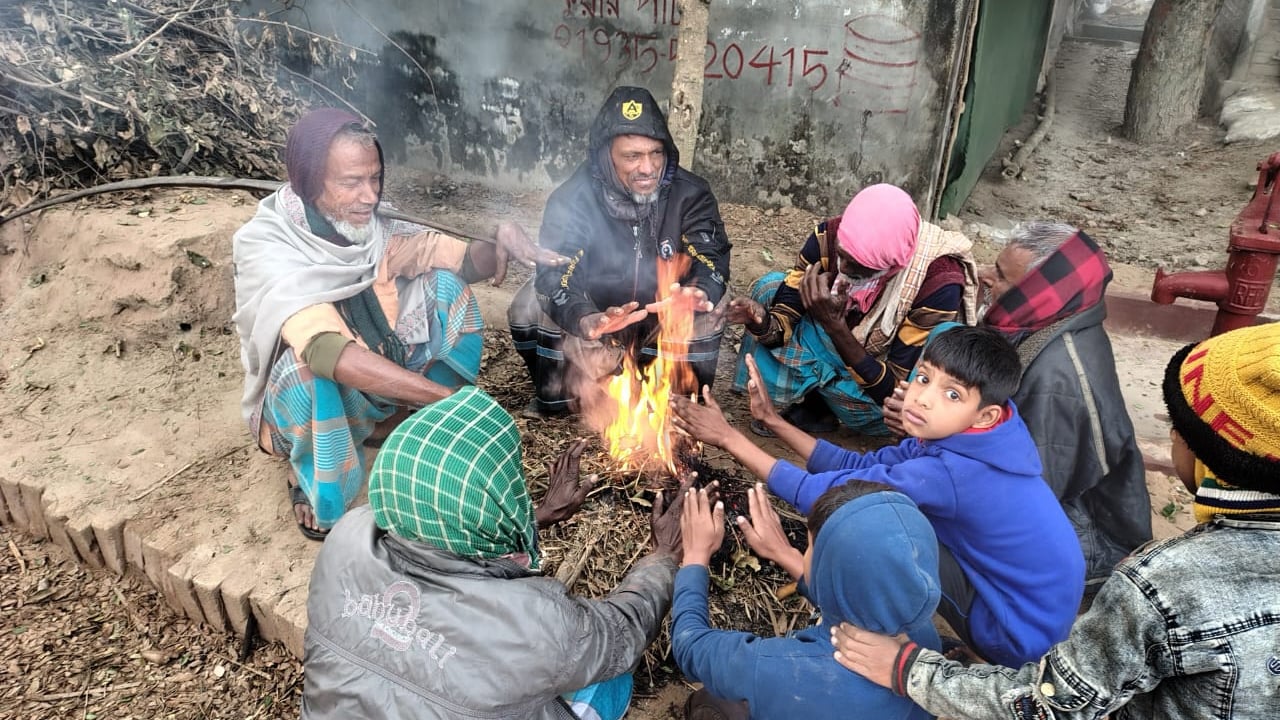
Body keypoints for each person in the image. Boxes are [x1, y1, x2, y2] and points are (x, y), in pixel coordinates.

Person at [831, 322, 1280, 720]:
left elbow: (1052, 704)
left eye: (1178, 426)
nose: (1174, 434)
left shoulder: (1163, 586)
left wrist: (908, 669)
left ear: (1204, 451)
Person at [232, 108, 565, 540]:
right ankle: (313, 484)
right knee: (305, 371)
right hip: (315, 394)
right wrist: (445, 399)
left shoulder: (373, 227)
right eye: (352, 182)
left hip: (372, 375)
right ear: (310, 180)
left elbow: (462, 262)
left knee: (448, 289)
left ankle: (408, 424)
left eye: (375, 179)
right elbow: (327, 350)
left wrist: (498, 236)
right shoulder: (270, 246)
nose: (369, 196)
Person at [673, 326, 1084, 667]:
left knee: (876, 528)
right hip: (1029, 602)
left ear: (986, 413)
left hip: (1015, 632)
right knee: (886, 505)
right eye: (924, 378)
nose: (923, 398)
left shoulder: (952, 473)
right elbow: (860, 469)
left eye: (952, 393)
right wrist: (773, 422)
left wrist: (729, 437)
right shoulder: (980, 435)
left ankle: (917, 652)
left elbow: (829, 495)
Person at [302, 386, 688, 719]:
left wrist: (539, 516)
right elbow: (621, 633)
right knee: (609, 677)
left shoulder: (346, 539)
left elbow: (432, 529)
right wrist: (664, 557)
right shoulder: (536, 620)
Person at [884, 222, 1152, 595]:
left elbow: (1022, 488)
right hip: (1047, 489)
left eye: (1003, 277)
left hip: (1082, 535)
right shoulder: (1052, 321)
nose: (986, 277)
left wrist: (928, 427)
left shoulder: (1057, 382)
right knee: (948, 341)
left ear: (1038, 294)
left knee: (901, 533)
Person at [508, 86, 732, 419]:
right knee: (530, 299)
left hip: (664, 327)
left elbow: (709, 254)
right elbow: (557, 270)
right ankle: (564, 399)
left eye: (656, 153)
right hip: (601, 327)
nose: (648, 168)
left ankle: (681, 403)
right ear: (605, 155)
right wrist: (585, 317)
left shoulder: (691, 194)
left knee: (718, 299)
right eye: (632, 156)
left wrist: (698, 292)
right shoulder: (573, 199)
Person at [672, 480, 941, 720]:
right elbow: (863, 594)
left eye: (810, 547)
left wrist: (696, 557)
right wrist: (784, 553)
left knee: (714, 701)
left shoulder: (775, 668)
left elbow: (690, 644)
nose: (806, 553)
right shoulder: (923, 638)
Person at [725, 184, 978, 437]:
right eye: (842, 254)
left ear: (894, 264)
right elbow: (782, 325)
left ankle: (827, 406)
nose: (843, 267)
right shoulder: (827, 238)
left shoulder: (937, 284)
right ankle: (816, 407)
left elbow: (892, 391)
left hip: (874, 395)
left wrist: (835, 326)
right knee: (770, 288)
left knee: (933, 353)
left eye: (859, 264)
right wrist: (760, 321)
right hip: (839, 352)